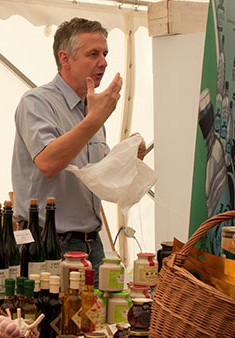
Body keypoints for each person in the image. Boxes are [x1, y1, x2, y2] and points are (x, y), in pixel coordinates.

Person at [11, 17, 145, 283]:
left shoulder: (92, 108)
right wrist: (94, 119)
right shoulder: (37, 102)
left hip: (91, 245)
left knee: (95, 323)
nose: (103, 62)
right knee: (55, 323)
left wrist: (126, 158)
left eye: (105, 54)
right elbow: (48, 162)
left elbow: (98, 176)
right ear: (65, 58)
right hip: (48, 245)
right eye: (93, 54)